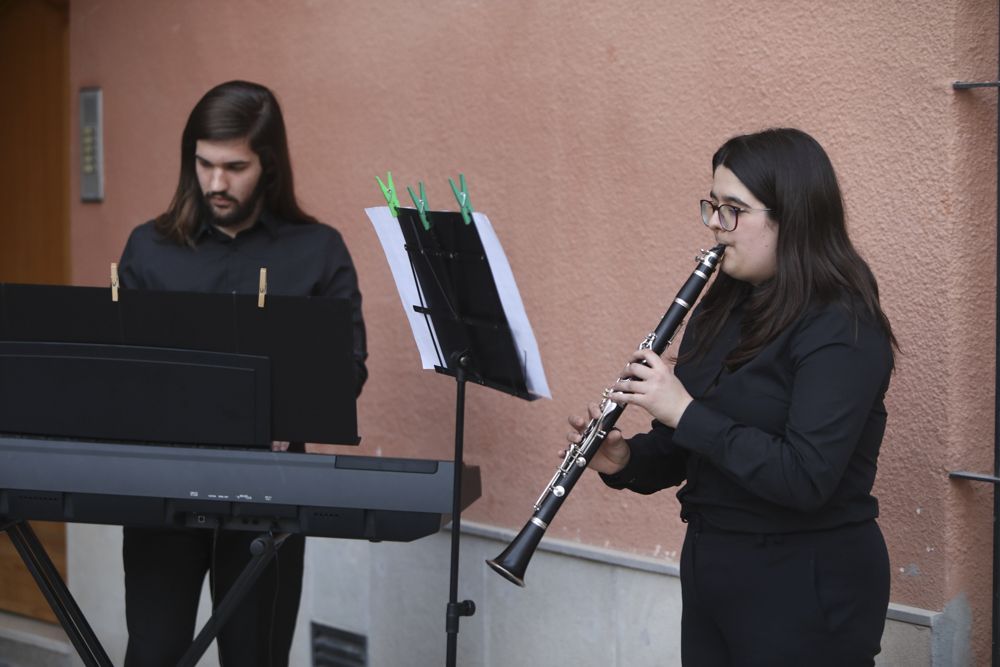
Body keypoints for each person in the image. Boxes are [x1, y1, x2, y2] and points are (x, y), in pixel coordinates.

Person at [570, 128, 897, 666]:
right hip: (714, 567)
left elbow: (805, 477)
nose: (717, 226)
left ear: (791, 216)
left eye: (734, 210)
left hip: (805, 582)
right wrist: (624, 459)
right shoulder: (723, 308)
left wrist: (684, 410)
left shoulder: (842, 326)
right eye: (713, 207)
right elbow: (687, 448)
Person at [117, 80, 367, 667]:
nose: (215, 183)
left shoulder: (319, 250)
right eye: (203, 164)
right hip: (160, 493)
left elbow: (346, 369)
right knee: (152, 652)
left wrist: (288, 412)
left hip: (271, 494)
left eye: (235, 166)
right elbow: (123, 369)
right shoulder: (147, 248)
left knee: (257, 657)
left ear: (269, 166)